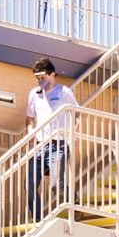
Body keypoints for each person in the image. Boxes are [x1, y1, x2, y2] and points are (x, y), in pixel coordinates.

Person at [24, 58, 76, 220]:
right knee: (30, 184)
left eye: (43, 79)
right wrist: (30, 131)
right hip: (40, 145)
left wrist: (72, 135)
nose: (40, 82)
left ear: (52, 75)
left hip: (58, 144)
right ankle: (38, 218)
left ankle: (73, 200)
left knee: (55, 185)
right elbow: (30, 118)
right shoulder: (35, 94)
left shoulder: (64, 92)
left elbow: (77, 114)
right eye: (38, 79)